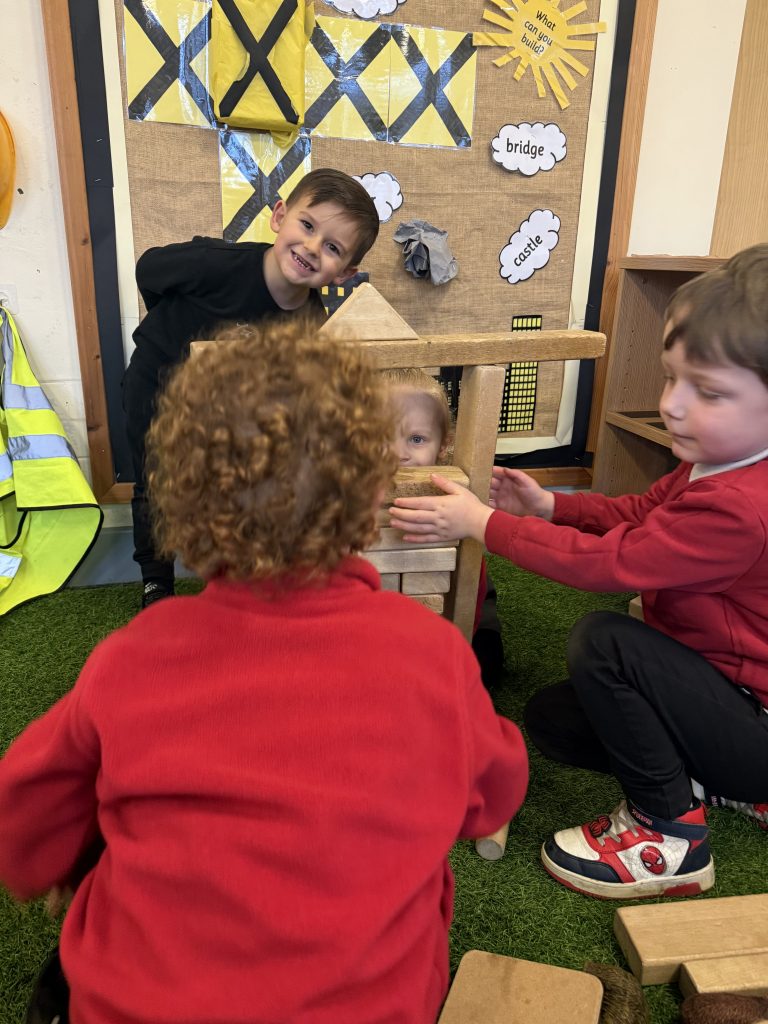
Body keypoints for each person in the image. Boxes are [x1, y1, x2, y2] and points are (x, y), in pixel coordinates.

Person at [0, 317, 528, 1024]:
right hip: (374, 1008)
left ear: (184, 505)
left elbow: (23, 817)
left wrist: (61, 864)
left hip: (142, 1006)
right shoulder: (431, 652)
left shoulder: (132, 657)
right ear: (371, 494)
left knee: (79, 947)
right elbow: (493, 795)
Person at [389, 243, 768, 900]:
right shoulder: (715, 461)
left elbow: (614, 563)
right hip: (717, 693)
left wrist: (486, 525)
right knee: (556, 720)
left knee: (606, 642)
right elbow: (642, 514)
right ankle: (718, 778)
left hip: (752, 717)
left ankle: (669, 835)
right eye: (672, 378)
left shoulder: (740, 507)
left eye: (708, 392)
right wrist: (551, 506)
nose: (674, 406)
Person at [122, 167, 380, 609]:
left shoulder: (310, 323)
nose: (312, 247)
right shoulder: (213, 264)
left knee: (231, 480)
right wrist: (168, 325)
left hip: (224, 407)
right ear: (279, 216)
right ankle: (156, 582)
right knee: (155, 479)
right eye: (307, 225)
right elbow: (149, 270)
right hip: (159, 381)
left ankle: (230, 578)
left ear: (345, 272)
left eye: (333, 247)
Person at [383, 367, 507, 689]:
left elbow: (469, 584)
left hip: (458, 594)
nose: (398, 454)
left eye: (416, 439)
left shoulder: (452, 498)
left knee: (482, 664)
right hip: (392, 596)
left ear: (443, 446)